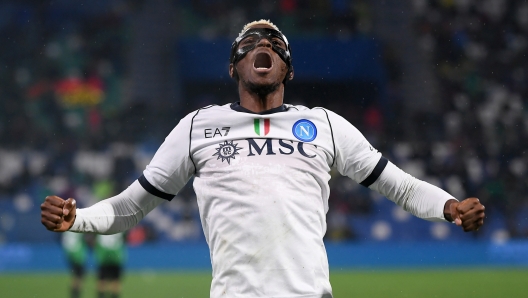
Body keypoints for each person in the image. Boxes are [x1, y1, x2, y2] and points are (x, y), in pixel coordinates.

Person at [41, 20, 485, 298]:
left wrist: (448, 205)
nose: (263, 43)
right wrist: (76, 220)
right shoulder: (198, 126)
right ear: (234, 66)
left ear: (287, 68)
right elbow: (131, 206)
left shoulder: (324, 124)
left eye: (273, 40)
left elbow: (401, 186)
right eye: (250, 40)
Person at [94, 233, 126, 298]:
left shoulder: (101, 224)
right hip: (116, 255)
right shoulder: (119, 225)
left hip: (103, 255)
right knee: (115, 280)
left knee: (102, 280)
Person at [61, 231, 88, 298]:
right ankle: (76, 295)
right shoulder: (78, 227)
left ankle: (74, 295)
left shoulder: (66, 229)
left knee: (75, 276)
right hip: (78, 254)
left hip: (70, 253)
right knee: (79, 276)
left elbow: (63, 241)